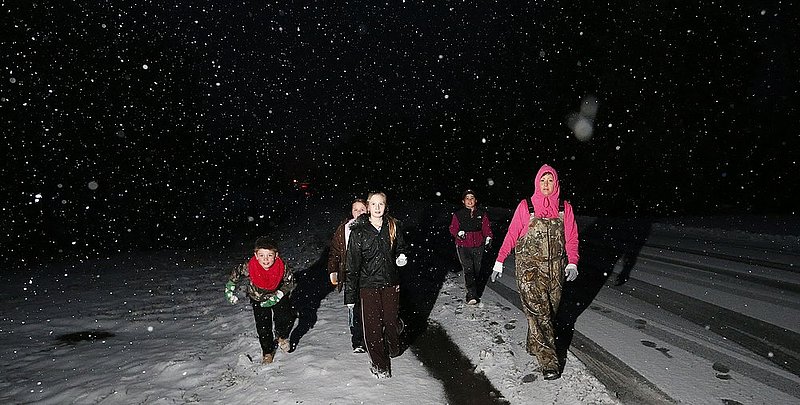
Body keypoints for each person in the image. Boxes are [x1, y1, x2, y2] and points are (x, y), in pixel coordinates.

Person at [491, 164, 579, 380]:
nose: (546, 185)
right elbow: (512, 234)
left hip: (555, 272)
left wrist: (573, 262)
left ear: (556, 183)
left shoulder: (564, 208)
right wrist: (499, 260)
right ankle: (549, 362)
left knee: (549, 312)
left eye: (550, 181)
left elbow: (572, 238)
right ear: (536, 183)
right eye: (542, 180)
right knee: (541, 315)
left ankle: (534, 343)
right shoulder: (526, 206)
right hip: (529, 271)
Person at [344, 192, 408, 378]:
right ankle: (380, 366)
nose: (377, 208)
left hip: (390, 283)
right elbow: (352, 265)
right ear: (368, 206)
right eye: (374, 204)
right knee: (372, 326)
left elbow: (401, 247)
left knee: (390, 321)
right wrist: (350, 296)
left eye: (381, 204)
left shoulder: (393, 226)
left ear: (385, 206)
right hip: (368, 285)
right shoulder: (359, 231)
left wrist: (401, 256)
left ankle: (394, 346)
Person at [225, 236, 296, 364]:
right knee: (263, 326)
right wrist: (230, 286)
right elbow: (237, 272)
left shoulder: (282, 267)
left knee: (285, 317)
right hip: (258, 298)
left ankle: (281, 336)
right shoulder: (250, 266)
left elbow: (290, 282)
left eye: (269, 255)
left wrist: (279, 295)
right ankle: (267, 352)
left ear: (276, 255)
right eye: (262, 255)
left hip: (278, 295)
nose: (266, 259)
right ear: (256, 256)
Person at [327, 198, 368, 353]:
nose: (358, 212)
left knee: (370, 308)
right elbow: (335, 252)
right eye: (355, 209)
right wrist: (334, 270)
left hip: (370, 275)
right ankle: (358, 341)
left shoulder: (373, 227)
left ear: (368, 210)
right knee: (355, 308)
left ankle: (373, 338)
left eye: (362, 209)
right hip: (351, 275)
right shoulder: (344, 228)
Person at [449, 189, 493, 305]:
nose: (469, 200)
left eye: (472, 198)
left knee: (476, 269)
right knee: (468, 269)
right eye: (467, 198)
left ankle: (474, 289)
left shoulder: (481, 214)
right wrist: (458, 233)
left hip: (478, 245)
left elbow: (486, 228)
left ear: (476, 200)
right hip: (463, 246)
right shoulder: (458, 214)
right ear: (463, 201)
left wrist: (488, 237)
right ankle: (471, 294)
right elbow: (453, 228)